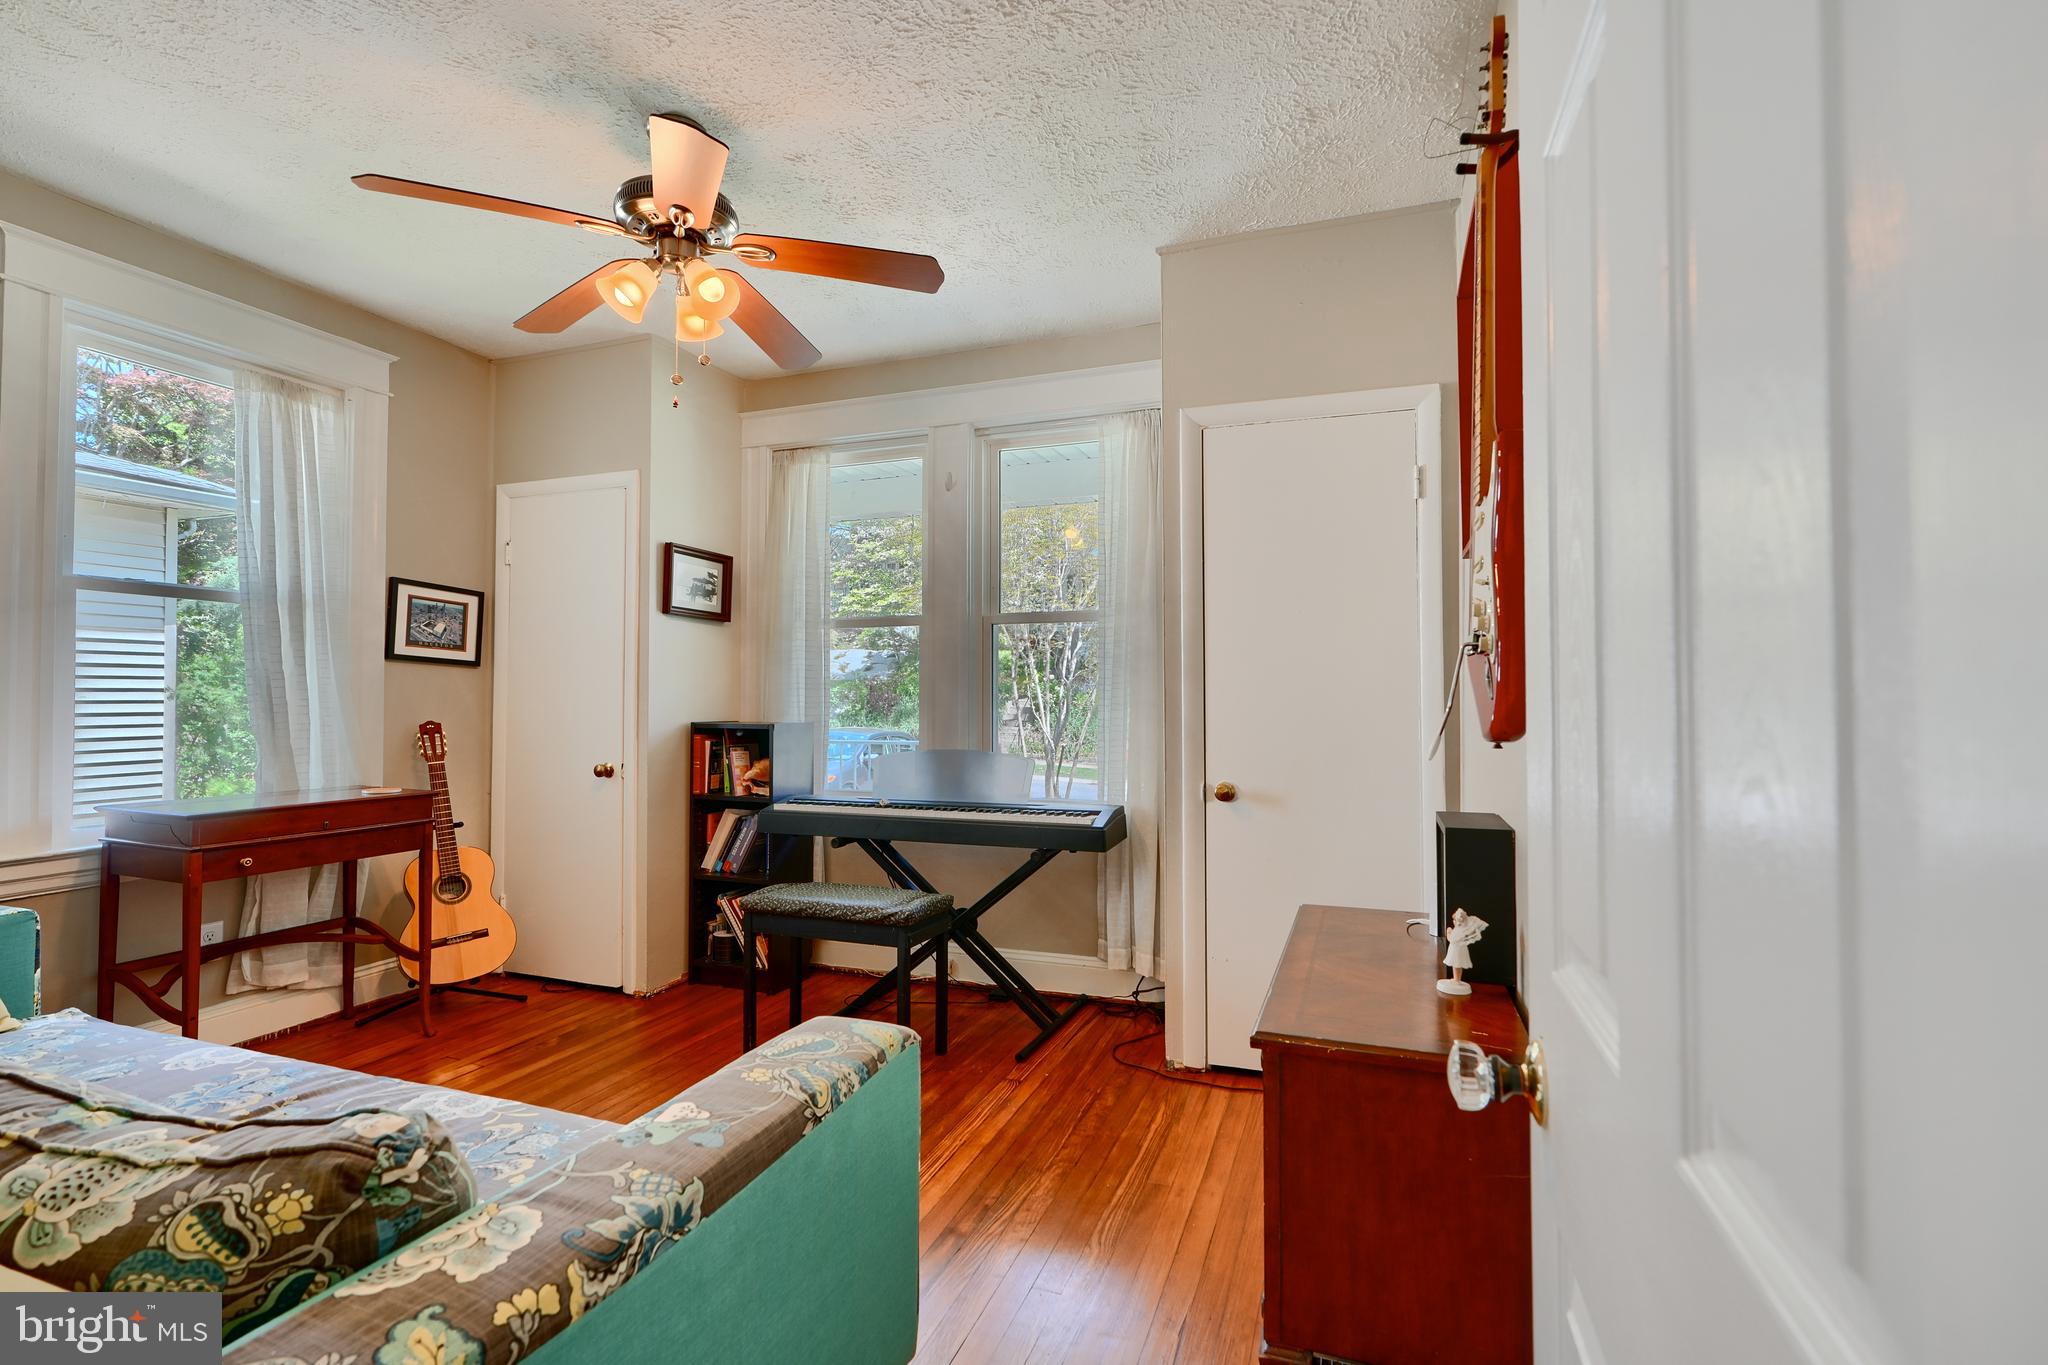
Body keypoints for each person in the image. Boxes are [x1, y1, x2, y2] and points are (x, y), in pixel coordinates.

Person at [1437, 908, 1488, 997]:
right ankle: (1456, 979)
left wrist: (1448, 932)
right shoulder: (1461, 930)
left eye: (1455, 920)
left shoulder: (1459, 931)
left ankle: (1457, 980)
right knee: (1456, 964)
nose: (1454, 922)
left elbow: (1451, 939)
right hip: (1458, 950)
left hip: (1457, 951)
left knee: (1457, 964)